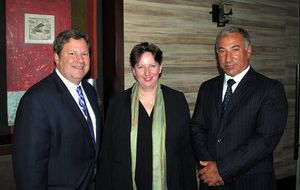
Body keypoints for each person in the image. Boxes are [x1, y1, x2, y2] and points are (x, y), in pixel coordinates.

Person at [190, 26, 288, 190]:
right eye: (222, 51)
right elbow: (197, 128)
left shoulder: (270, 89)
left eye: (235, 49)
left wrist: (221, 170)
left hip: (251, 182)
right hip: (211, 181)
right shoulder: (207, 87)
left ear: (248, 51)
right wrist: (209, 167)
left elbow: (264, 140)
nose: (228, 58)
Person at [12, 29, 103, 190]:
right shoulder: (36, 100)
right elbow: (29, 170)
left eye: (84, 54)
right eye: (72, 53)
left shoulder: (90, 91)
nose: (80, 60)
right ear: (56, 58)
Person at [99, 42, 197, 190]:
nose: (147, 72)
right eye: (140, 66)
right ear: (133, 70)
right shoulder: (117, 103)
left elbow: (186, 153)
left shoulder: (176, 101)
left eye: (152, 65)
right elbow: (107, 153)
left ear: (160, 67)